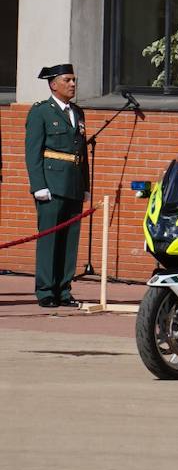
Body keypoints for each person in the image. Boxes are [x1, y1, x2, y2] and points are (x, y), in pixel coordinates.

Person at [24, 64, 89, 308]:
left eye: (74, 80)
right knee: (50, 239)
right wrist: (38, 185)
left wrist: (85, 185)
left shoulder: (78, 112)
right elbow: (33, 152)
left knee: (70, 240)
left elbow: (81, 152)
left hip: (73, 182)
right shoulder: (41, 112)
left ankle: (63, 289)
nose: (73, 84)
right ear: (53, 84)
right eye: (67, 80)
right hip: (51, 184)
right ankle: (45, 291)